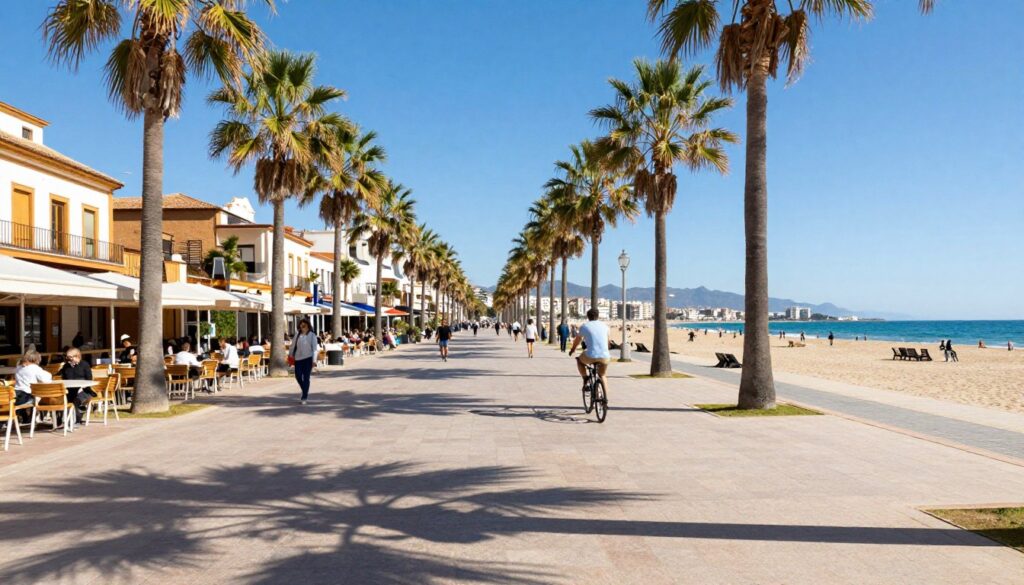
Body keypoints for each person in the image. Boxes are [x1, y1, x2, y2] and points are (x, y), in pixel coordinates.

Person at [568, 308, 611, 398]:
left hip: (590, 355)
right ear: (598, 316)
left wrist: (573, 349)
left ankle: (585, 378)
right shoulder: (605, 326)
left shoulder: (585, 326)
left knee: (579, 360)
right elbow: (608, 342)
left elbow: (577, 340)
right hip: (605, 356)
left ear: (588, 317)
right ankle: (605, 399)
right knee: (602, 375)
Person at [12, 350, 50, 425]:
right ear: (37, 360)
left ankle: (26, 417)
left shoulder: (18, 368)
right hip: (27, 396)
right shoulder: (35, 368)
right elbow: (46, 379)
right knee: (38, 395)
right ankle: (34, 417)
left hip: (16, 395)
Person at [58, 347, 94, 420]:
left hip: (84, 390)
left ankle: (76, 420)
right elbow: (63, 379)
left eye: (70, 357)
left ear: (77, 356)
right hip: (70, 390)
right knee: (59, 400)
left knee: (77, 400)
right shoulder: (66, 366)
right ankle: (61, 421)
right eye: (67, 357)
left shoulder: (84, 365)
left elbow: (89, 379)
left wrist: (82, 387)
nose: (68, 359)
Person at [289, 319, 319, 404]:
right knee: (298, 376)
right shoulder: (297, 335)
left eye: (304, 325)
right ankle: (305, 390)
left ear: (308, 326)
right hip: (298, 359)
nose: (302, 327)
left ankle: (304, 397)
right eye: (301, 325)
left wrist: (314, 360)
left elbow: (314, 349)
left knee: (306, 378)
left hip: (308, 359)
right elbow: (292, 346)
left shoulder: (312, 335)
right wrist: (290, 355)